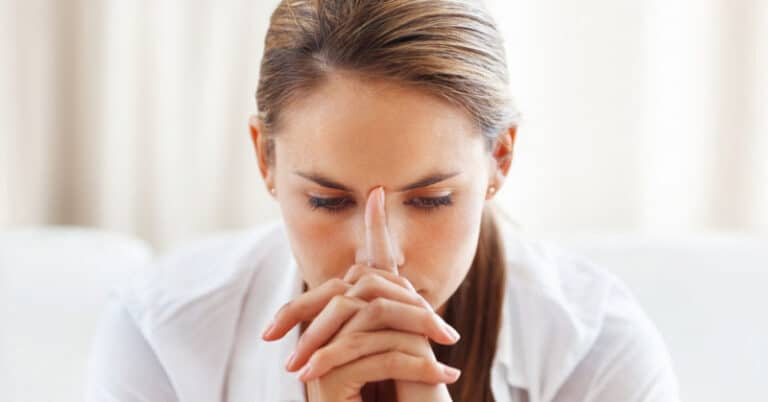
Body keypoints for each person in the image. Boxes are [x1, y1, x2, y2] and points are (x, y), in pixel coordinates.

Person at [85, 1, 681, 401]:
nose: (381, 259)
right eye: (327, 201)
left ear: (500, 157)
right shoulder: (162, 335)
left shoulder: (596, 349)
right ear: (265, 159)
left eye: (431, 200)